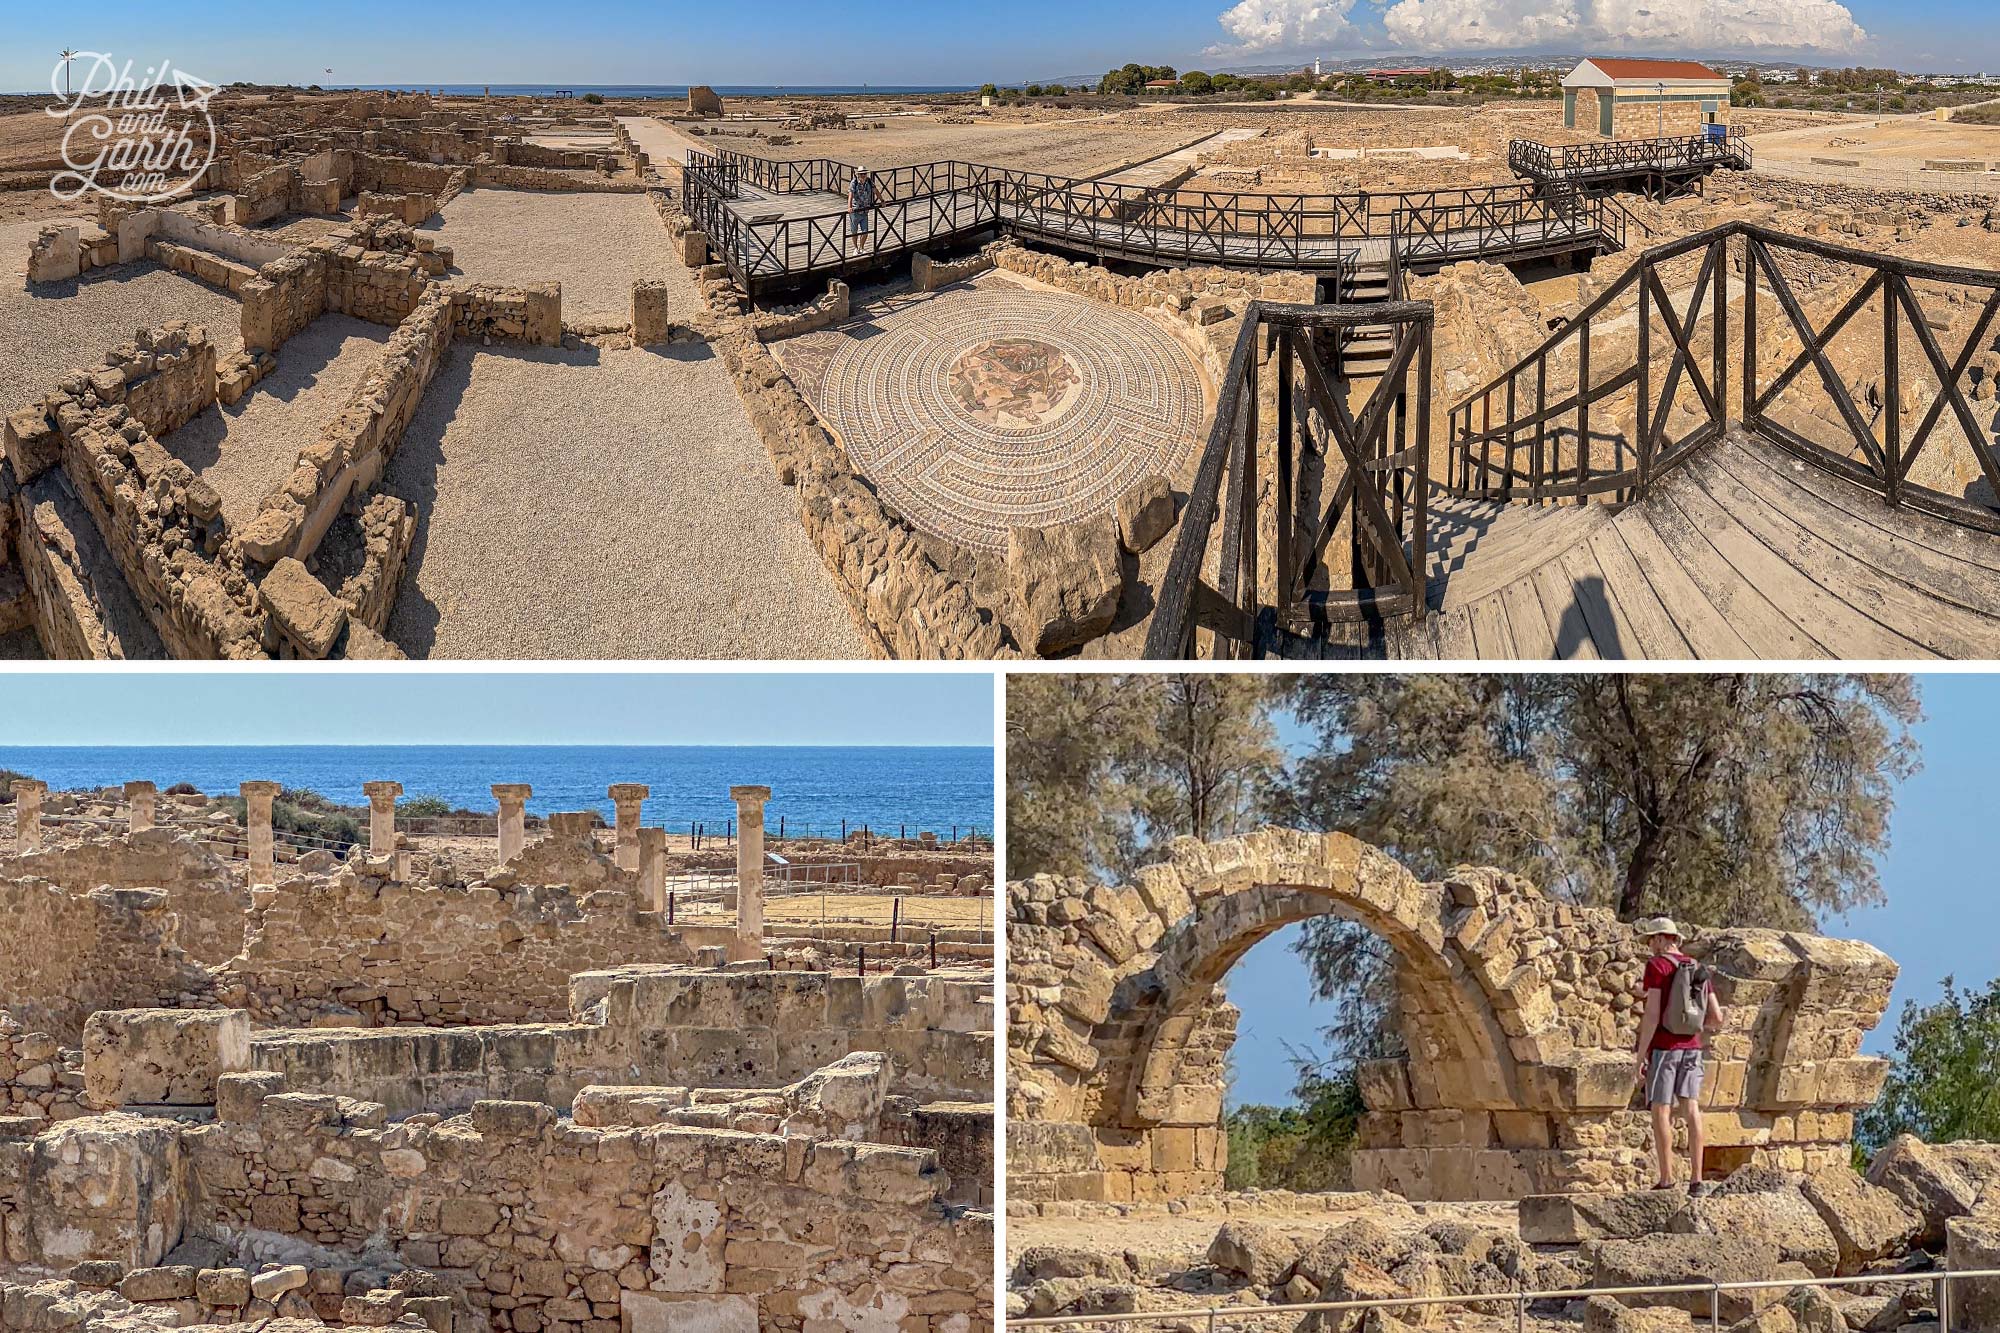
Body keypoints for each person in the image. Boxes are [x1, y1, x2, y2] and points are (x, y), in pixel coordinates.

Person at [1632, 916, 1724, 1193]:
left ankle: (1667, 1178)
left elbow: (1652, 1016)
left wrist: (1640, 1058)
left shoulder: (1656, 966)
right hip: (1692, 1049)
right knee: (1692, 1109)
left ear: (1662, 938)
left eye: (1651, 939)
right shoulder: (1697, 967)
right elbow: (1717, 1017)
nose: (1650, 945)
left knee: (1661, 1109)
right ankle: (1696, 1180)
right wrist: (1694, 1028)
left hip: (1664, 1049)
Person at [847, 169, 878, 250]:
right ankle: (855, 248)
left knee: (865, 231)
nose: (863, 176)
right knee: (854, 232)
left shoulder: (869, 181)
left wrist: (882, 200)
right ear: (858, 175)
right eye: (861, 174)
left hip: (865, 210)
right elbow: (850, 195)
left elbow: (875, 190)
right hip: (855, 211)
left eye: (864, 174)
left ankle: (861, 247)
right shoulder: (854, 182)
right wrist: (849, 207)